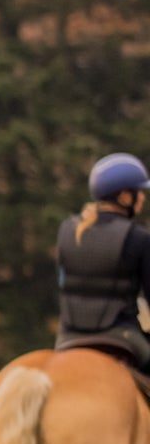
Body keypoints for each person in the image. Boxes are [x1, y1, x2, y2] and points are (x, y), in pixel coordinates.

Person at [56, 152, 150, 366]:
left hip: (68, 336)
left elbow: (63, 284)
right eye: (139, 192)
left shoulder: (67, 230)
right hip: (121, 336)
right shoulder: (138, 238)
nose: (143, 197)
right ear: (125, 197)